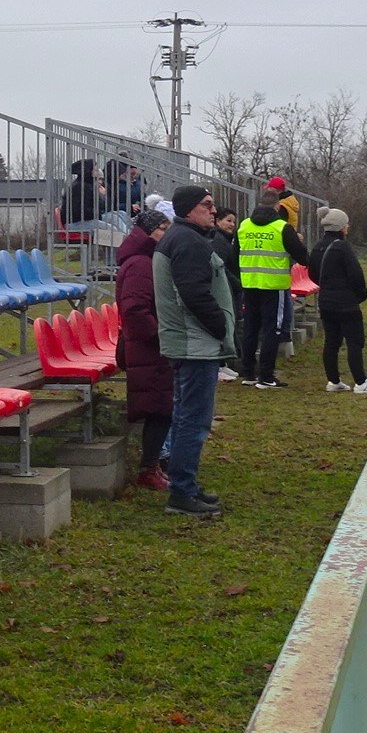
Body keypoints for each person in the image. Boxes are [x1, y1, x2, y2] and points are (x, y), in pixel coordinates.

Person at [153, 185, 234, 518]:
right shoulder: (187, 242)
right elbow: (194, 294)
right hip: (194, 344)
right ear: (189, 209)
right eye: (207, 205)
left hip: (190, 342)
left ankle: (185, 486)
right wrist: (221, 327)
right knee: (194, 420)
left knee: (187, 416)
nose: (213, 211)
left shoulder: (181, 237)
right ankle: (182, 492)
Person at [113, 207, 174, 489]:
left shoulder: (147, 259)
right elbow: (135, 310)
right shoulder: (140, 264)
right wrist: (161, 336)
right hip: (149, 348)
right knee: (158, 409)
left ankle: (153, 466)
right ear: (148, 232)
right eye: (162, 229)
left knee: (161, 408)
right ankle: (149, 468)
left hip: (150, 346)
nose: (167, 234)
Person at [234, 189, 307, 389]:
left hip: (250, 284)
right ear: (278, 206)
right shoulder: (282, 227)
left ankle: (248, 373)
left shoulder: (244, 226)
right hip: (274, 286)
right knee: (271, 330)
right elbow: (302, 257)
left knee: (250, 328)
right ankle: (266, 376)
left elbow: (233, 257)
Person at [310, 208, 367, 391]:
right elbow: (355, 274)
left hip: (326, 301)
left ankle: (333, 381)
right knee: (355, 341)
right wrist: (360, 294)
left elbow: (312, 273)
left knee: (331, 342)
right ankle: (360, 382)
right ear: (341, 227)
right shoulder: (342, 247)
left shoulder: (317, 246)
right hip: (346, 302)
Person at [212, 206, 244, 382]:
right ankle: (218, 364)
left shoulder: (226, 240)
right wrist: (238, 284)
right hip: (227, 289)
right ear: (218, 221)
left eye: (233, 221)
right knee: (224, 324)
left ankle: (223, 363)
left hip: (231, 289)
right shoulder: (219, 241)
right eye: (228, 220)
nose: (232, 224)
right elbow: (222, 268)